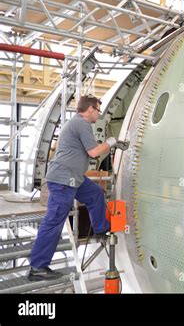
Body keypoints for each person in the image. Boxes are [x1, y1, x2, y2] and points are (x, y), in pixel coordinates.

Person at [28, 95, 118, 281]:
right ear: (90, 108)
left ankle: (101, 229)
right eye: (98, 110)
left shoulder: (77, 123)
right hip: (63, 180)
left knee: (95, 194)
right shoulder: (81, 123)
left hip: (74, 179)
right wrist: (110, 143)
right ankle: (38, 267)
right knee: (54, 221)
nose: (98, 115)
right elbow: (93, 152)